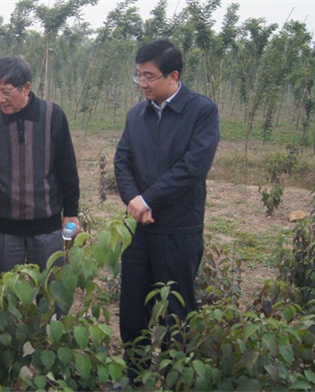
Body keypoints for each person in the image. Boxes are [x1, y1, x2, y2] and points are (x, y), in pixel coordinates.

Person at [114, 39, 220, 382]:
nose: (142, 84)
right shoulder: (136, 115)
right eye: (138, 76)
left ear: (173, 75)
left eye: (149, 76)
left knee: (176, 312)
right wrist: (134, 200)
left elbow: (193, 167)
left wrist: (150, 199)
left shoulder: (201, 111)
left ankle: (176, 379)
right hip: (138, 229)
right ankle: (136, 378)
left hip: (178, 229)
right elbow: (122, 161)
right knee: (132, 310)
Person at [0, 55, 80, 286]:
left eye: (6, 92)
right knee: (3, 294)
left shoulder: (53, 116)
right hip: (2, 226)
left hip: (46, 226)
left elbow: (67, 167)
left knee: (50, 292)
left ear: (26, 88)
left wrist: (71, 212)